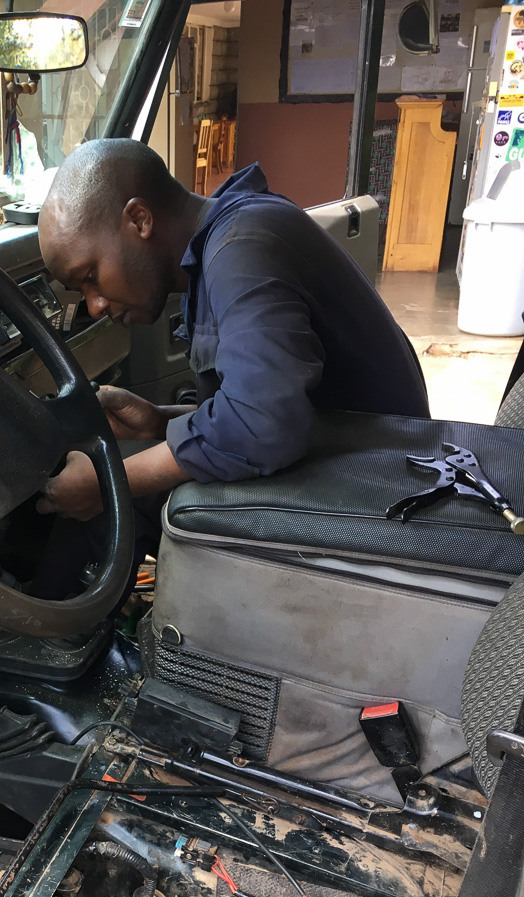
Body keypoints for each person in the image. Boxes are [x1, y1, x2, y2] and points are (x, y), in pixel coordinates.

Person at [31, 140, 429, 598]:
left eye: (90, 277)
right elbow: (274, 405)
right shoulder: (231, 233)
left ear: (139, 220)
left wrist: (106, 486)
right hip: (363, 461)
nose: (95, 306)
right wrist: (159, 421)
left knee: (114, 499)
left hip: (378, 500)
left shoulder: (241, 251)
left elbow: (263, 426)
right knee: (134, 466)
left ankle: (45, 635)